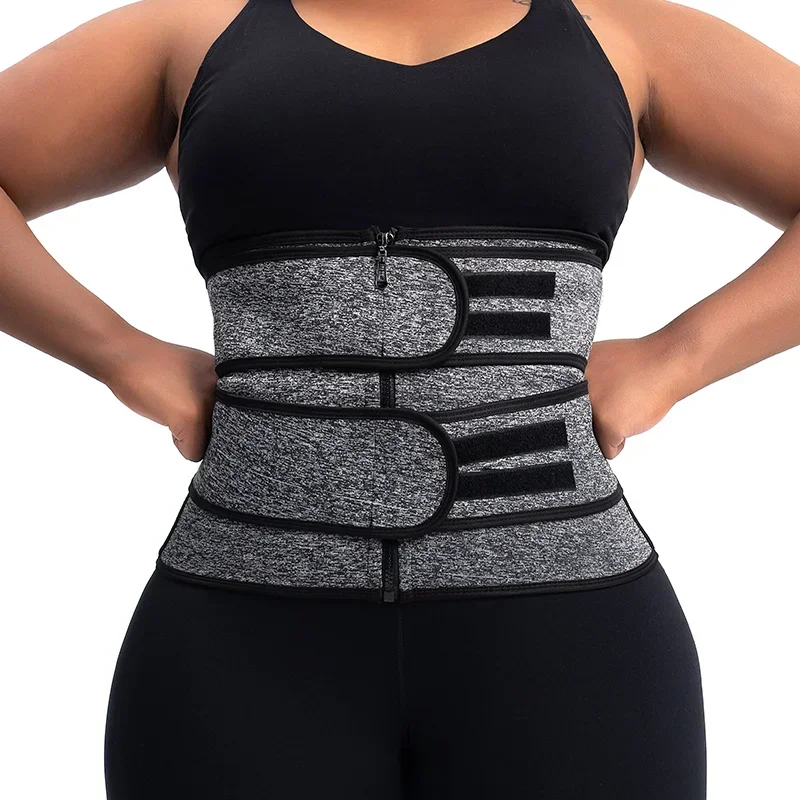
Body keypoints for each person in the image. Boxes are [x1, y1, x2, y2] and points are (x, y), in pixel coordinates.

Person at [1, 0, 799, 797]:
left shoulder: (622, 35)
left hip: (572, 639)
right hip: (240, 640)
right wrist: (119, 354)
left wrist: (676, 359)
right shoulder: (192, 33)